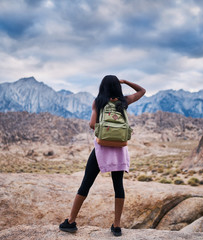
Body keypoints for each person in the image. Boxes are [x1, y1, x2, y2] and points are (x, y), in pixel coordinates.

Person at [59, 75, 146, 237]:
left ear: (102, 87)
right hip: (120, 147)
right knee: (118, 185)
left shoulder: (98, 102)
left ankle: (71, 221)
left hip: (102, 147)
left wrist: (104, 127)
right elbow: (142, 91)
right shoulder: (124, 101)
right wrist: (126, 82)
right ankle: (117, 226)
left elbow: (92, 125)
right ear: (117, 87)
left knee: (86, 183)